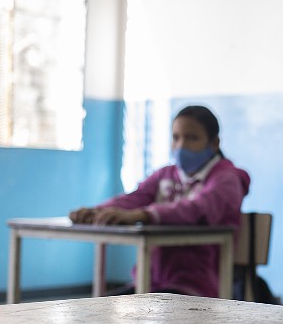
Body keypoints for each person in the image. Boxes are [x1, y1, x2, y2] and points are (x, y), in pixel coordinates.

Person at [69, 105, 251, 297]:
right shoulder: (166, 174)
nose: (181, 145)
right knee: (100, 309)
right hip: (150, 282)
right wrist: (97, 211)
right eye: (176, 137)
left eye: (192, 138)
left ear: (214, 143)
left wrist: (144, 215)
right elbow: (136, 198)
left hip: (197, 286)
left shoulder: (226, 179)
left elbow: (198, 208)